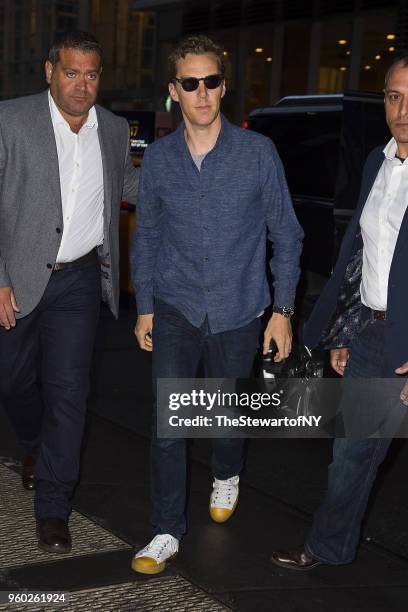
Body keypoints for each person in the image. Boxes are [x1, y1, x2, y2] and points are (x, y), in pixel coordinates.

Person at [130, 34, 303, 575]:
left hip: (237, 311)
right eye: (190, 83)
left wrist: (283, 309)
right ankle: (164, 530)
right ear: (173, 92)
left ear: (223, 88)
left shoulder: (257, 154)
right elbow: (148, 236)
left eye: (210, 82)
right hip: (177, 308)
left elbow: (289, 236)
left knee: (226, 420)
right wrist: (145, 306)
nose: (201, 93)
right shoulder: (158, 160)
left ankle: (227, 471)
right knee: (169, 425)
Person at [0, 31, 138, 554]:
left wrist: (194, 174)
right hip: (16, 274)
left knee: (69, 394)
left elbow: (128, 187)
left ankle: (54, 509)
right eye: (72, 72)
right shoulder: (10, 121)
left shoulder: (115, 130)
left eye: (92, 74)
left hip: (81, 278)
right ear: (49, 72)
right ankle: (35, 445)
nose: (82, 84)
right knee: (12, 382)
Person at [270, 53, 408, 571]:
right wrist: (345, 330)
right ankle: (326, 547)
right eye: (394, 96)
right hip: (375, 335)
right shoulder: (377, 161)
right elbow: (359, 256)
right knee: (350, 455)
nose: (402, 109)